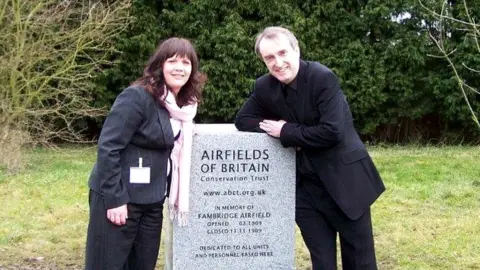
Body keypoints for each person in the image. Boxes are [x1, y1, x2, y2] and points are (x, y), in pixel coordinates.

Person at [235, 26, 385, 270]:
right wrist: (275, 130)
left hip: (345, 182)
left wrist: (287, 132)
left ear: (297, 50)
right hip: (305, 190)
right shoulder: (265, 86)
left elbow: (333, 131)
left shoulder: (322, 77)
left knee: (359, 260)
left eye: (283, 53)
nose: (278, 63)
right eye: (269, 58)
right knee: (322, 262)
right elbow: (243, 120)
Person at [85, 37, 206, 270]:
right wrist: (115, 200)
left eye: (186, 63)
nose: (179, 68)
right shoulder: (137, 97)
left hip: (152, 201)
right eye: (172, 61)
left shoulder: (183, 107)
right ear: (160, 64)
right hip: (120, 198)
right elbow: (109, 147)